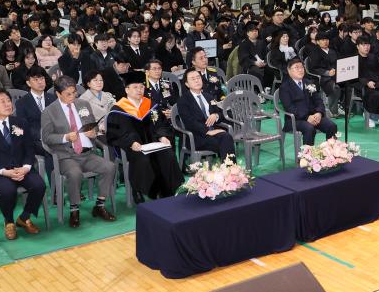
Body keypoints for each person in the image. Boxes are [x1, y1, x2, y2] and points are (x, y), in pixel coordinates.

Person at [40, 76, 118, 228]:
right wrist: (65, 137)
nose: (72, 97)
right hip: (66, 155)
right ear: (58, 94)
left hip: (87, 153)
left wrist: (93, 132)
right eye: (68, 94)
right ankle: (74, 209)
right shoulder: (49, 112)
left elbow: (93, 125)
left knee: (110, 167)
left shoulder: (83, 104)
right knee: (75, 173)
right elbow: (46, 137)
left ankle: (100, 205)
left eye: (74, 92)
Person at [0, 88, 47, 241]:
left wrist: (26, 167)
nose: (8, 104)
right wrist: (3, 171)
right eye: (3, 102)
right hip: (0, 172)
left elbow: (29, 148)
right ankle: (9, 222)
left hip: (22, 168)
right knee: (8, 191)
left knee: (39, 185)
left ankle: (24, 217)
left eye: (8, 101)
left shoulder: (20, 123)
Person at [103, 71, 181, 202]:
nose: (139, 90)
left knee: (168, 155)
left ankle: (168, 190)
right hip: (133, 147)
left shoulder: (150, 105)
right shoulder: (118, 109)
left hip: (153, 143)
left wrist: (162, 136)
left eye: (141, 87)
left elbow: (161, 124)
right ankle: (139, 189)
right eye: (135, 87)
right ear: (127, 90)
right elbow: (115, 134)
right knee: (143, 160)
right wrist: (131, 142)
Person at [176, 68, 236, 160]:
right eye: (193, 79)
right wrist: (207, 131)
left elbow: (220, 112)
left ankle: (229, 167)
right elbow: (189, 122)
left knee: (226, 138)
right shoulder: (183, 100)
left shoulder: (208, 96)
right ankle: (230, 167)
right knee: (226, 139)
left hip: (213, 133)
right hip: (197, 137)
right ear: (187, 84)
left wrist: (216, 115)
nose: (197, 80)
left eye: (198, 77)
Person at [278, 58, 337, 146]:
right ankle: (307, 154)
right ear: (289, 70)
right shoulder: (285, 87)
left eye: (302, 67)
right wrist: (307, 117)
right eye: (296, 67)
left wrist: (319, 113)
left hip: (314, 116)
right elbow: (290, 108)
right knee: (309, 128)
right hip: (294, 119)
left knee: (331, 126)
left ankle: (331, 150)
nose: (300, 70)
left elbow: (319, 101)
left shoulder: (309, 83)